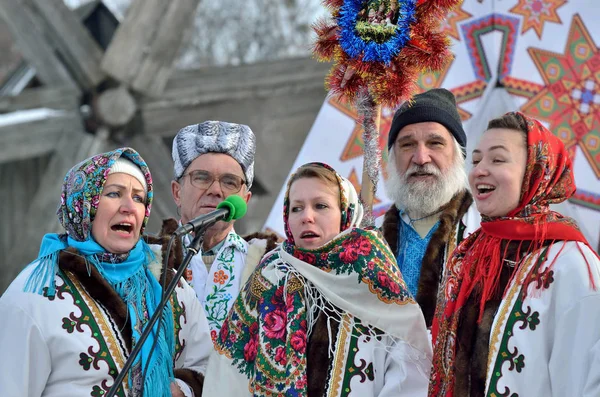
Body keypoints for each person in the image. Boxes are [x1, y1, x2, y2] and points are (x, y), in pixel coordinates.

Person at [203, 162, 432, 396]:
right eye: (296, 208)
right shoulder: (270, 274)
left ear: (345, 211)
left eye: (320, 206)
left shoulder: (371, 265)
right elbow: (229, 371)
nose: (306, 217)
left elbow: (408, 360)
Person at [0, 148, 212, 397]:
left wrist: (182, 391)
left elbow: (207, 366)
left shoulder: (169, 285)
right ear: (82, 205)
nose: (128, 207)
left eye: (139, 198)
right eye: (113, 193)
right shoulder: (34, 293)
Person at [429, 112, 600, 396]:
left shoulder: (571, 264)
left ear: (535, 171)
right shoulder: (471, 255)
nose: (479, 170)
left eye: (497, 159)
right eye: (475, 160)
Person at [170, 121, 278, 341]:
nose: (216, 191)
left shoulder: (268, 266)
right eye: (202, 177)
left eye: (230, 182)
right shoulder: (149, 260)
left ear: (245, 200)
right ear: (177, 192)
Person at [381, 87, 480, 327]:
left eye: (435, 143)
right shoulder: (371, 238)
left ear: (458, 155)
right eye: (407, 145)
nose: (421, 158)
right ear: (392, 159)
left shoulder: (485, 230)